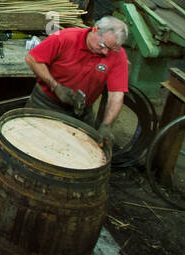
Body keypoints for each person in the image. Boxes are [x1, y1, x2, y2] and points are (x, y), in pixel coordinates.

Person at [24, 16, 129, 153]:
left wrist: (107, 125)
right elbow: (32, 59)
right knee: (35, 147)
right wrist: (55, 86)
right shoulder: (65, 38)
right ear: (95, 30)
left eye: (111, 49)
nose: (106, 52)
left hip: (81, 110)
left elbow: (116, 94)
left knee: (79, 152)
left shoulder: (117, 55)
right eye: (103, 46)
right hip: (46, 102)